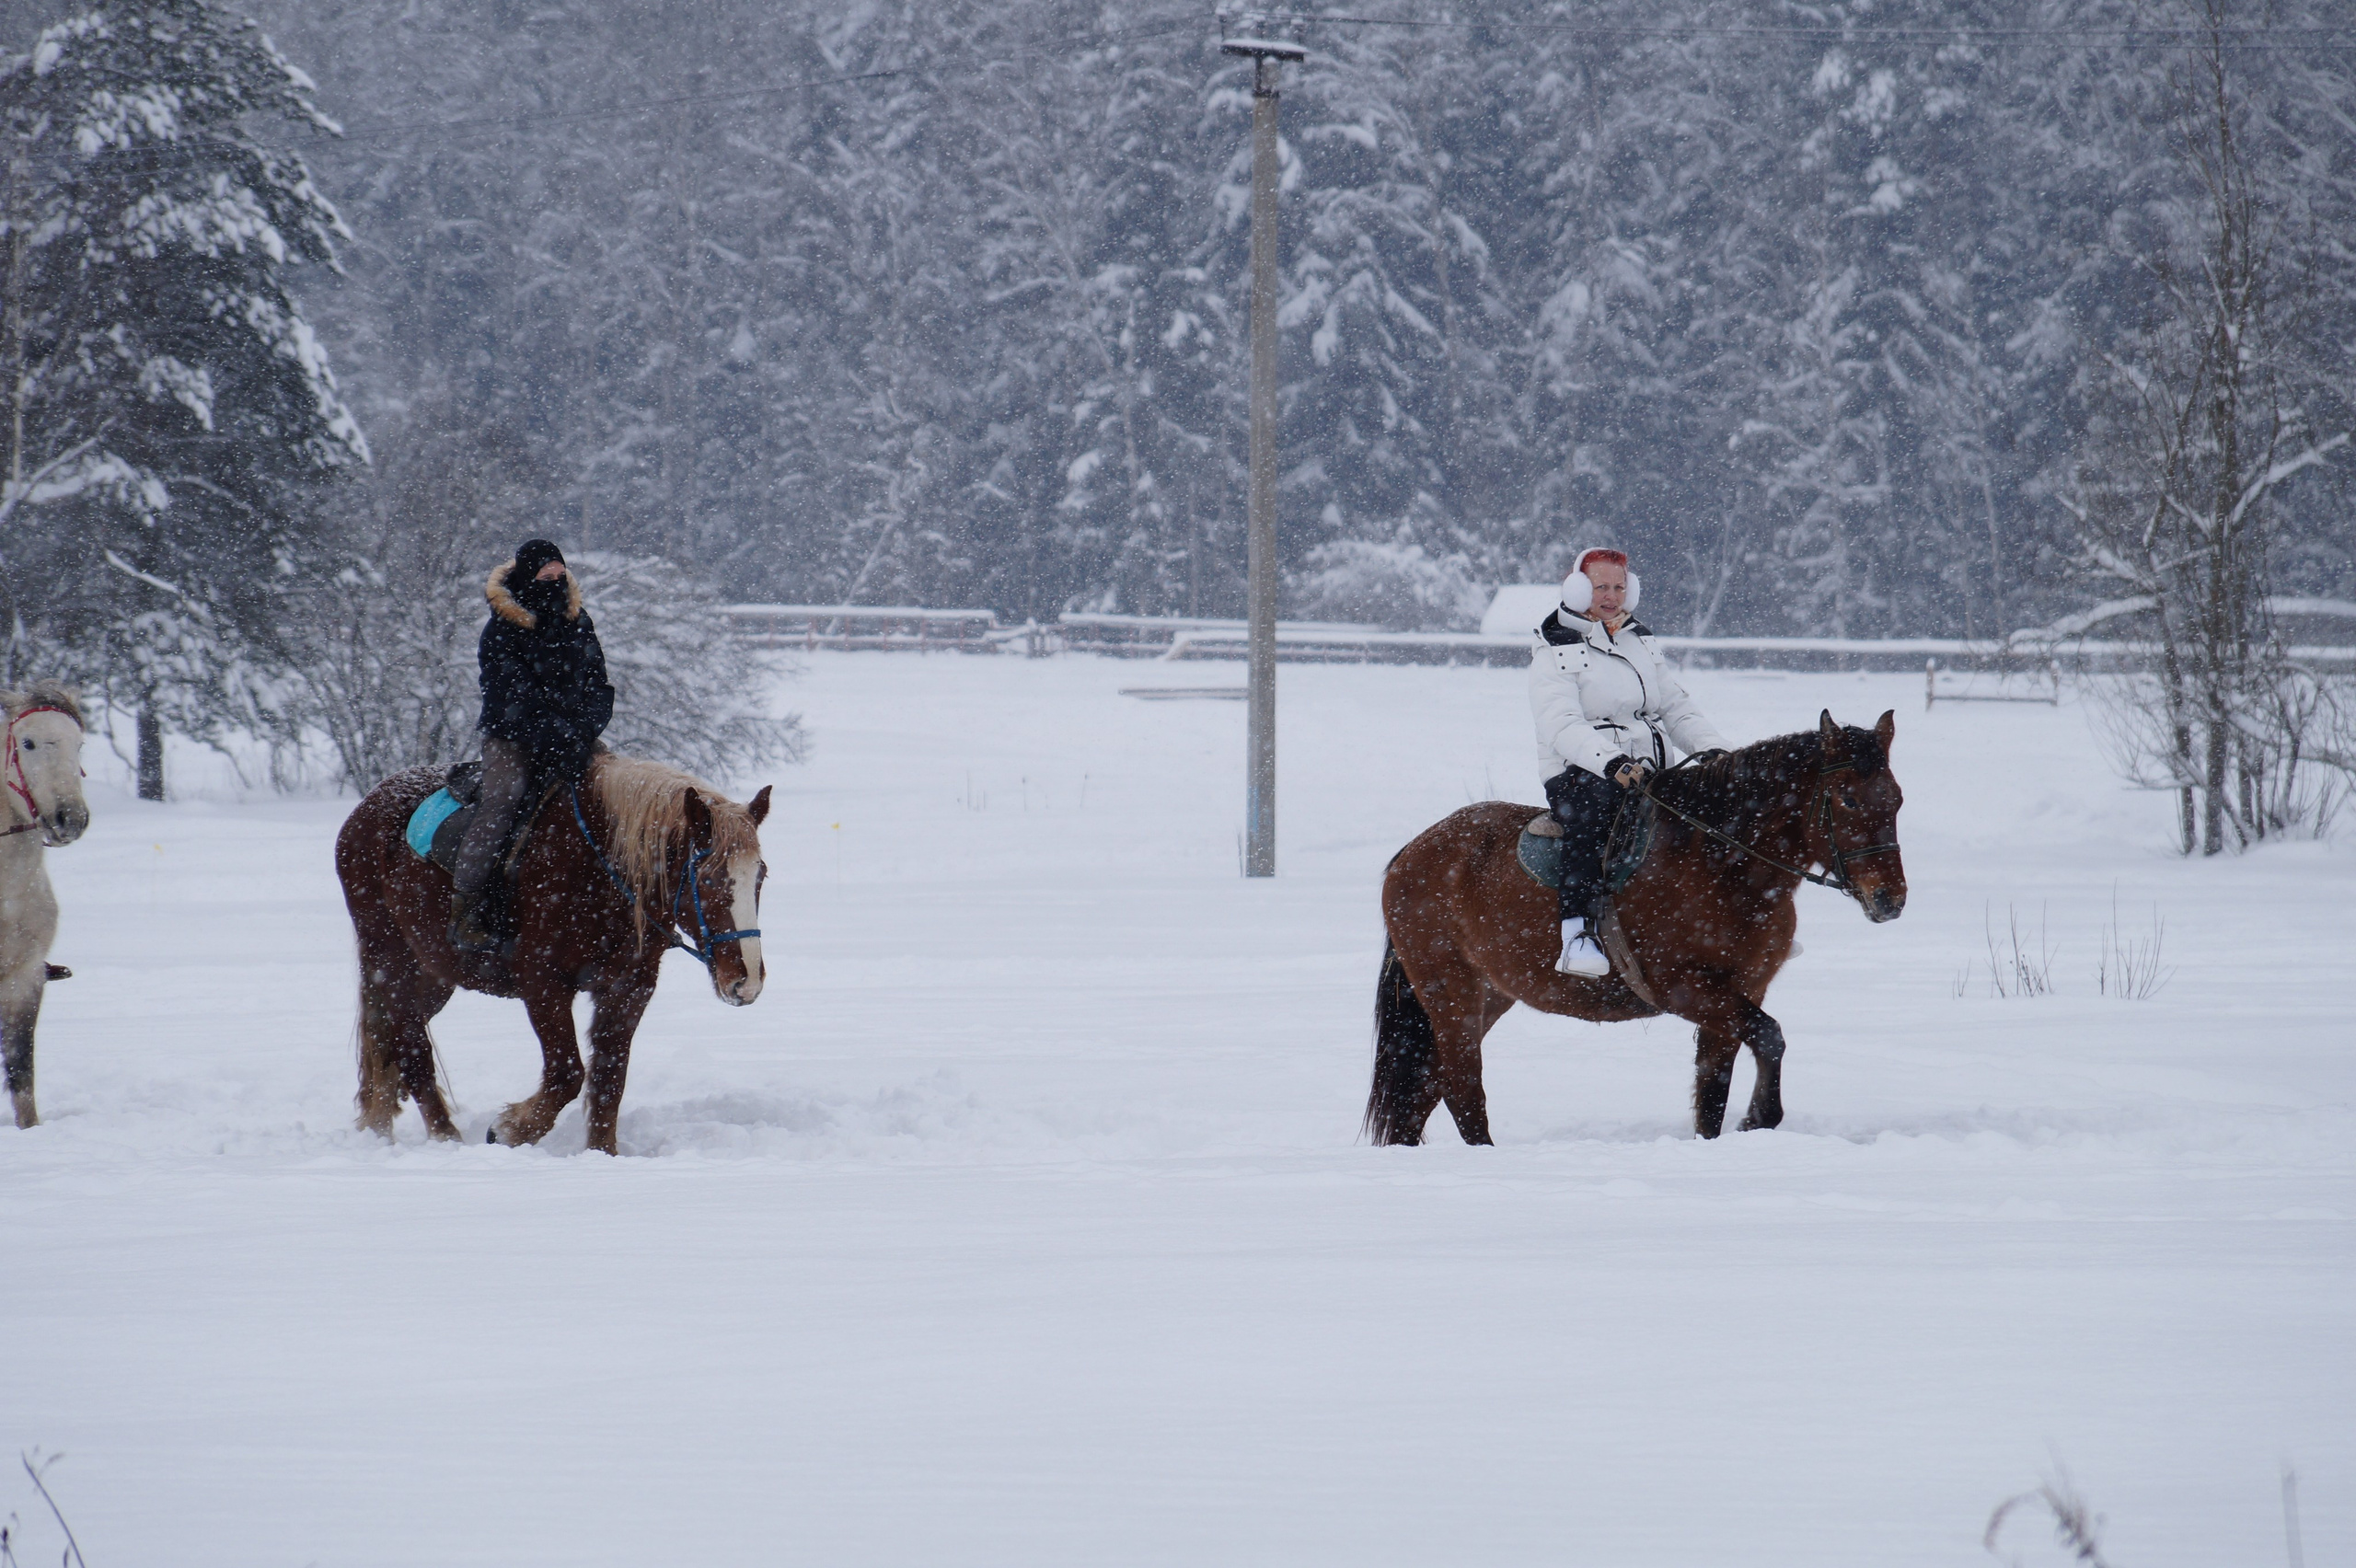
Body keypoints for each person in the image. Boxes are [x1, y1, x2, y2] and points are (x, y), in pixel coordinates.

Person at [1529, 547, 1727, 977]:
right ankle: (1577, 933)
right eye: (1601, 586)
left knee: (1716, 809)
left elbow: (1675, 707)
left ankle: (1731, 922)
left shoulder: (1639, 640)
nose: (1611, 596)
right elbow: (1560, 724)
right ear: (1579, 588)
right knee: (1596, 815)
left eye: (1619, 586)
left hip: (1648, 771)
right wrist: (1611, 762)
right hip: (1580, 771)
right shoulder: (1555, 648)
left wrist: (1714, 751)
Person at [448, 539, 616, 953]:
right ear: (527, 576)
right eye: (546, 574)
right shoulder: (501, 629)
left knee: (617, 790)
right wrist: (558, 735)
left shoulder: (580, 621)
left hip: (575, 736)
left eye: (560, 574)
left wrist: (584, 730)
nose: (555, 581)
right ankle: (466, 905)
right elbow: (514, 696)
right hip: (512, 738)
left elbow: (599, 682)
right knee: (504, 799)